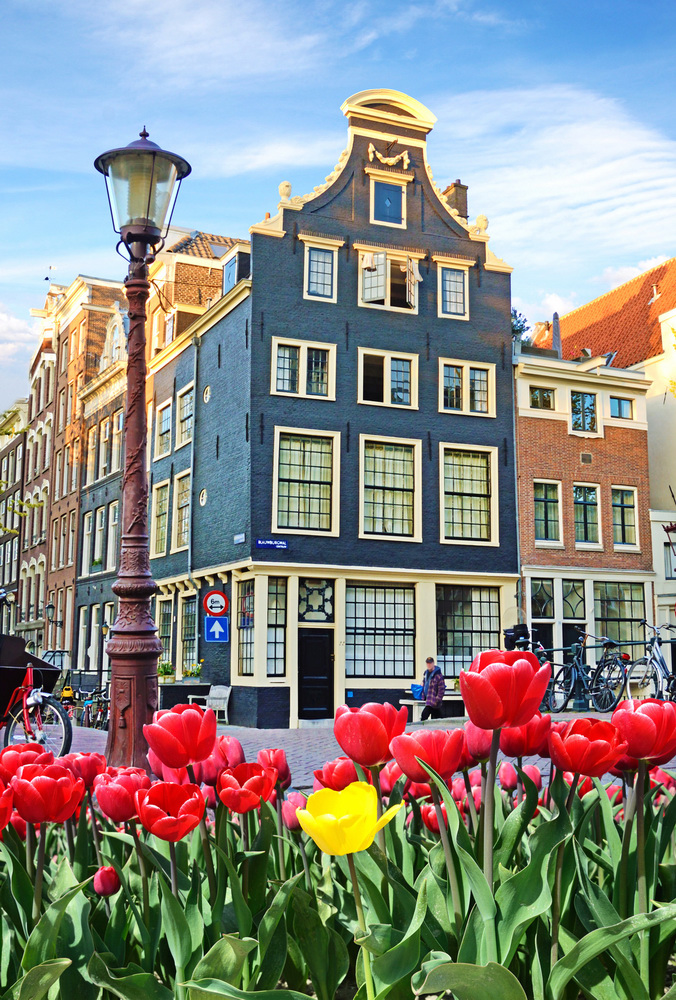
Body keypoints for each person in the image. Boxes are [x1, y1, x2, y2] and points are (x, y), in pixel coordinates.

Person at [421, 656, 446, 720]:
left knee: (424, 714)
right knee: (437, 715)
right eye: (427, 663)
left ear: (433, 663)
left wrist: (438, 698)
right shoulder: (426, 673)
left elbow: (441, 688)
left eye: (430, 663)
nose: (429, 665)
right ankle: (442, 724)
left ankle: (421, 725)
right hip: (428, 698)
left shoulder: (438, 675)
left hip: (433, 699)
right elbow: (425, 683)